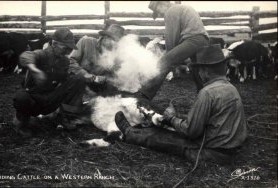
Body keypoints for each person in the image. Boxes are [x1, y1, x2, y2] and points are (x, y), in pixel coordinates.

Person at [115, 44, 247, 164]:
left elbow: (191, 132)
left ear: (205, 71)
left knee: (163, 137)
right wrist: (178, 118)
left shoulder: (207, 93)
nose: (199, 73)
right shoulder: (231, 88)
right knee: (170, 127)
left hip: (212, 152)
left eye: (199, 70)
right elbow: (212, 119)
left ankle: (129, 133)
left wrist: (172, 119)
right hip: (232, 148)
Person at [13, 28, 86, 137]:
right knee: (21, 97)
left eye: (69, 49)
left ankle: (66, 117)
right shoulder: (42, 54)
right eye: (65, 47)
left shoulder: (64, 61)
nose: (67, 51)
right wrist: (35, 70)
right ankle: (22, 123)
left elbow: (63, 80)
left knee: (79, 79)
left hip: (50, 98)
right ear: (54, 43)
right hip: (33, 100)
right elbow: (26, 55)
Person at [137, 1, 210, 100]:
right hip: (201, 39)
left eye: (158, 11)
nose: (160, 15)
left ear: (162, 4)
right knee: (196, 69)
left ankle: (144, 95)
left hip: (193, 39)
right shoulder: (180, 8)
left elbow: (172, 37)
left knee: (165, 61)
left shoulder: (171, 11)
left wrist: (168, 55)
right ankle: (205, 96)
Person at [68, 24, 125, 95]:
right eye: (114, 41)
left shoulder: (115, 55)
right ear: (105, 38)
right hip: (77, 83)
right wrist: (84, 74)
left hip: (96, 88)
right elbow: (70, 62)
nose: (115, 46)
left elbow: (114, 76)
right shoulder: (86, 42)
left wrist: (104, 78)